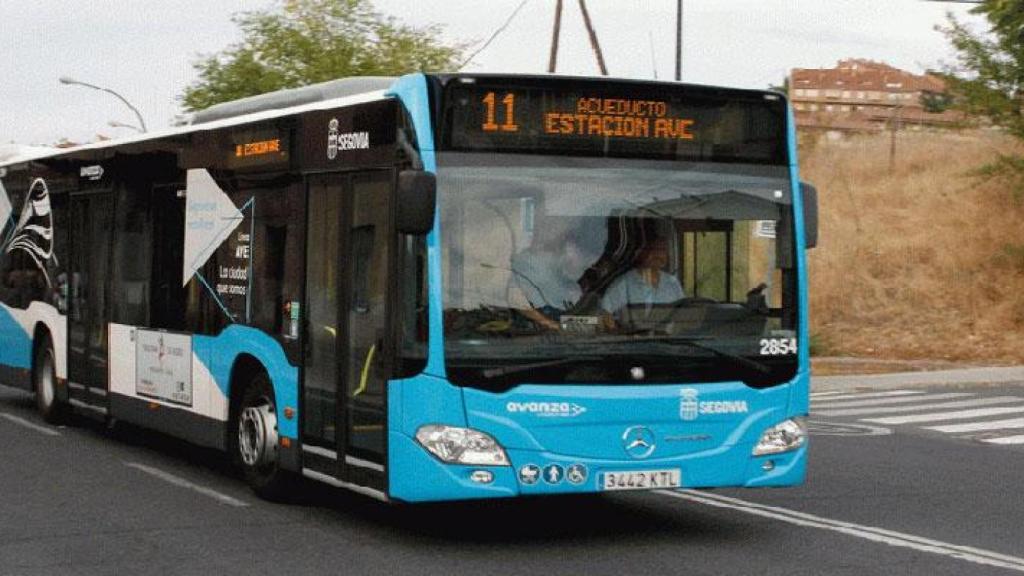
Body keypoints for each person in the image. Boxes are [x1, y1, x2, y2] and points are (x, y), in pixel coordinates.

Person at [508, 233, 588, 331]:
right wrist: (548, 323)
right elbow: (515, 298)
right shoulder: (523, 261)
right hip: (541, 324)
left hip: (568, 319)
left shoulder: (561, 264)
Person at [600, 235, 684, 321]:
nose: (658, 255)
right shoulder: (624, 284)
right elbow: (601, 315)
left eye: (662, 250)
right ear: (640, 253)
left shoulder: (673, 283)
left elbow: (682, 316)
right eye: (653, 250)